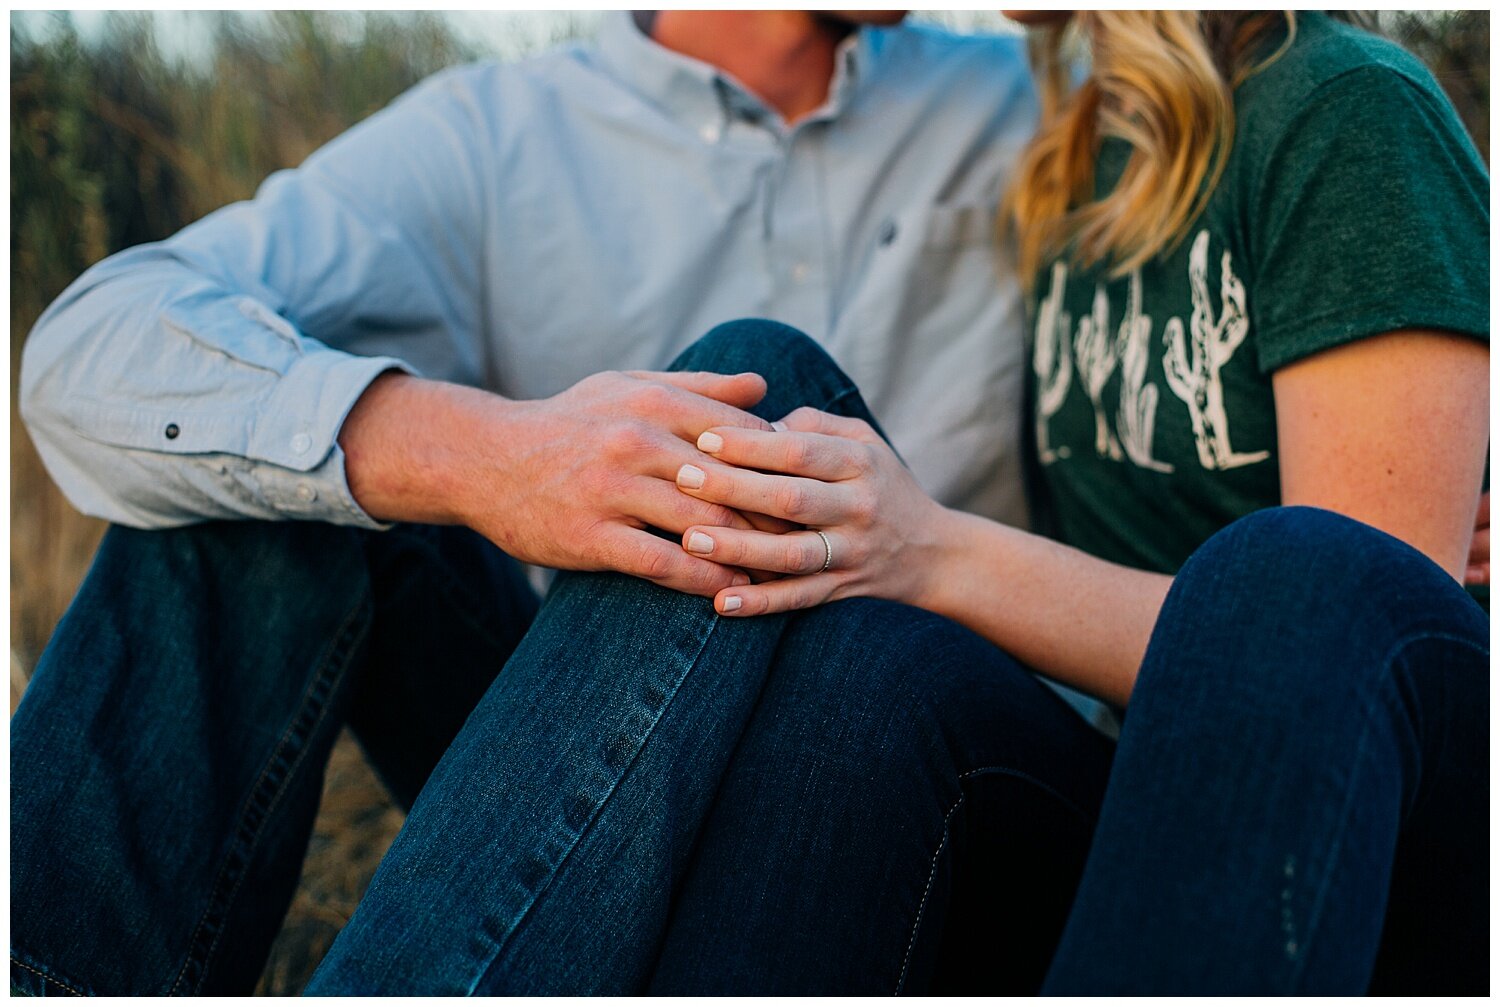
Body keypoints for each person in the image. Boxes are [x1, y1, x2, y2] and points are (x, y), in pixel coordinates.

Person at [11, 10, 1091, 997]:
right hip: (609, 749)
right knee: (265, 452)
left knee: (757, 380)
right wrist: (490, 456)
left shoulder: (1039, 90)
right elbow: (86, 346)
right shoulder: (500, 134)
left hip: (940, 775)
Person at [624, 9, 1487, 994]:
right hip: (1153, 799)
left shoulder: (1344, 105)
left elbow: (1345, 651)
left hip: (1377, 842)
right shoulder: (1075, 155)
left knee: (1291, 578)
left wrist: (933, 551)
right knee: (865, 656)